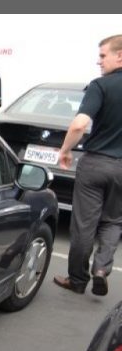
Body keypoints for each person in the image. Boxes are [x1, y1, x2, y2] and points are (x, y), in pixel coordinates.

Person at [53, 34, 122, 296]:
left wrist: (65, 150)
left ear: (120, 56)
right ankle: (102, 269)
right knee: (114, 221)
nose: (99, 61)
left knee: (84, 224)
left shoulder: (101, 86)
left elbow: (80, 124)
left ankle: (78, 280)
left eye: (103, 55)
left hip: (95, 164)